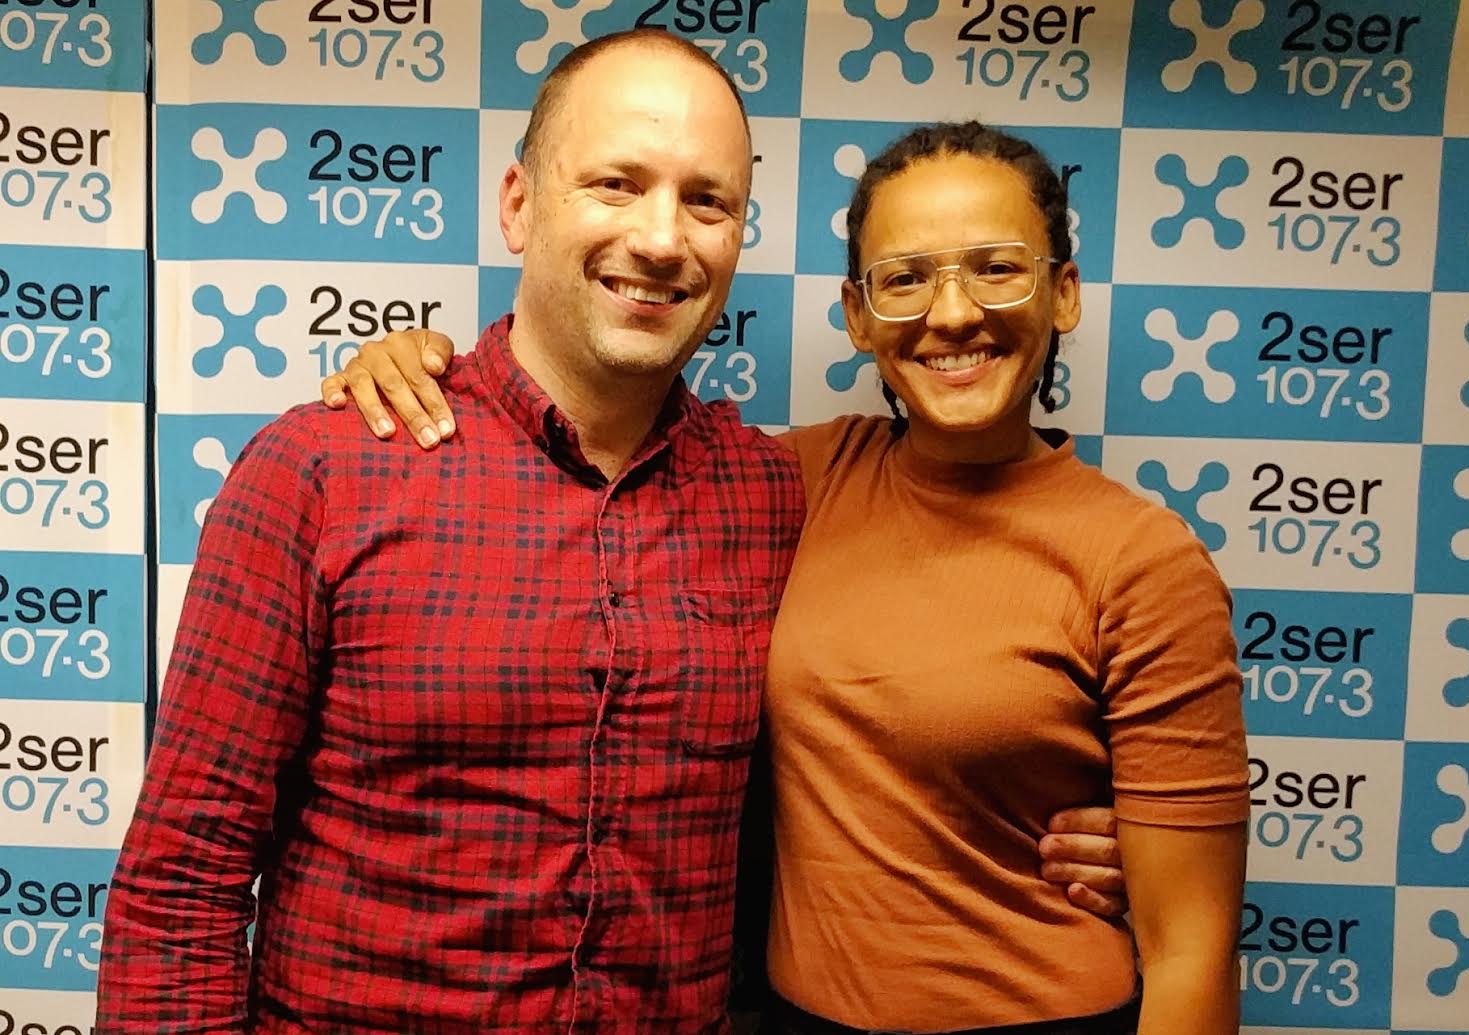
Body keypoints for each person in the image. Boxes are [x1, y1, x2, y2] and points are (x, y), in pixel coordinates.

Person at [98, 32, 1123, 1035]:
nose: (662, 239)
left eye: (706, 201)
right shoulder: (326, 468)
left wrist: (1110, 829)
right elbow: (183, 877)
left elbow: (925, 677)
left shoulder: (780, 494)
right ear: (517, 204)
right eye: (616, 184)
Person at [330, 121, 1251, 1034]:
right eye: (905, 278)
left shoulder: (1140, 557)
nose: (953, 312)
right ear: (857, 314)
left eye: (997, 268)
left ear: (1064, 294)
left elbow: (1192, 951)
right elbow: (593, 449)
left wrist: (1139, 842)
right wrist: (419, 364)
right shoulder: (790, 482)